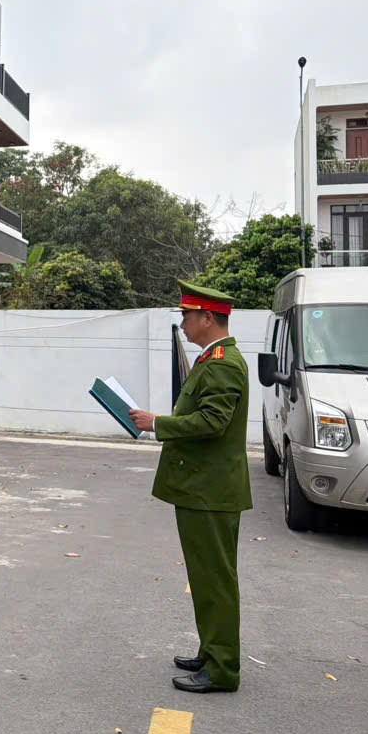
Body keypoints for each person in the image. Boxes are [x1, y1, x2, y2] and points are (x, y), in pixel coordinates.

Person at [129, 280, 252, 695]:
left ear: (206, 317)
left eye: (186, 314)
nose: (182, 322)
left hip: (210, 490)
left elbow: (212, 423)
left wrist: (157, 424)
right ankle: (212, 651)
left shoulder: (222, 363)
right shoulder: (213, 359)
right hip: (205, 488)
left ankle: (222, 669)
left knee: (214, 579)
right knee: (206, 578)